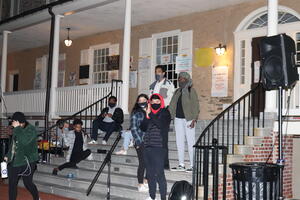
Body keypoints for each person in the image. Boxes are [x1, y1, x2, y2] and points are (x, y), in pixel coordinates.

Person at [141, 94, 171, 200]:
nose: (154, 104)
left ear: (161, 102)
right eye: (152, 102)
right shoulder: (148, 114)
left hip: (159, 148)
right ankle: (152, 196)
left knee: (159, 174)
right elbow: (143, 127)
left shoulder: (165, 113)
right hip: (147, 147)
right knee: (149, 174)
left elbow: (161, 125)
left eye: (157, 102)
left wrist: (151, 115)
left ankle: (163, 198)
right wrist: (146, 115)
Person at [169, 72, 200, 172]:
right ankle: (181, 164)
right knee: (179, 142)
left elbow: (195, 105)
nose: (180, 80)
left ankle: (193, 165)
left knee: (191, 142)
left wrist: (194, 119)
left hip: (189, 119)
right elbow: (172, 104)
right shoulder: (177, 91)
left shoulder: (191, 91)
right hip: (178, 119)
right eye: (179, 79)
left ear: (187, 79)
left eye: (182, 78)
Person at [4, 112, 40, 200]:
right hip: (16, 161)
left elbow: (24, 141)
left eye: (13, 121)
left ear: (18, 121)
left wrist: (17, 128)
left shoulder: (31, 129)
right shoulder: (17, 129)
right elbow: (13, 145)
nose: (12, 123)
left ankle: (36, 198)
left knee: (28, 183)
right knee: (12, 184)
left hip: (28, 161)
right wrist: (8, 155)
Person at [149, 65, 174, 169]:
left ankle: (165, 164)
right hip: (153, 112)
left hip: (163, 112)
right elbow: (150, 98)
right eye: (156, 72)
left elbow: (170, 98)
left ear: (163, 73)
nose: (157, 73)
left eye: (159, 71)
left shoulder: (169, 84)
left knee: (163, 140)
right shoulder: (152, 85)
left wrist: (161, 105)